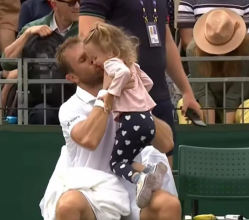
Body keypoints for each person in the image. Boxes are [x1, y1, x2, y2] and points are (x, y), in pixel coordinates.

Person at [42, 36, 179, 220]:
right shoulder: (70, 108)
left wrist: (137, 101)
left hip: (134, 186)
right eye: (84, 59)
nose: (93, 61)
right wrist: (107, 93)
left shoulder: (129, 93)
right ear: (72, 77)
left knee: (168, 205)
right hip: (91, 190)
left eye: (92, 55)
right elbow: (89, 140)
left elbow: (166, 144)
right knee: (68, 204)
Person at [79, 0, 202, 167]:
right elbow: (87, 35)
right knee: (121, 168)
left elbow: (166, 42)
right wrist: (111, 90)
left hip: (156, 94)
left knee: (163, 171)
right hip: (122, 100)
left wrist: (187, 91)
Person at [82, 23, 169, 208]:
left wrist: (112, 93)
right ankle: (151, 171)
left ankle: (139, 179)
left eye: (95, 57)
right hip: (147, 120)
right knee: (127, 160)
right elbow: (149, 82)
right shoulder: (133, 65)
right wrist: (135, 94)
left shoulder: (113, 64)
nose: (94, 62)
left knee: (116, 163)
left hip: (131, 120)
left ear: (109, 51)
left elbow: (121, 73)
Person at [0, 0, 79, 124]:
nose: (77, 6)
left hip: (79, 100)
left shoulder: (86, 28)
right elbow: (6, 62)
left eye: (80, 1)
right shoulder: (35, 27)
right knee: (41, 113)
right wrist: (27, 34)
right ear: (54, 5)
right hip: (43, 101)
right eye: (71, 2)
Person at [177, 9, 249, 124]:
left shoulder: (247, 47)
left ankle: (245, 141)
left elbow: (237, 90)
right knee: (183, 104)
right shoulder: (193, 50)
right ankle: (191, 141)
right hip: (205, 106)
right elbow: (202, 90)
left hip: (237, 104)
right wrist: (212, 131)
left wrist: (226, 132)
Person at [177, 0, 249, 50]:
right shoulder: (188, 2)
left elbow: (248, 39)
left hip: (236, 56)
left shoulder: (246, 1)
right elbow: (187, 41)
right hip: (201, 59)